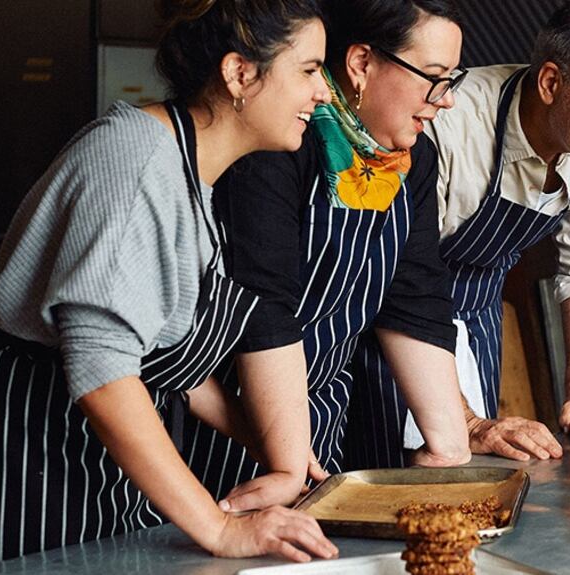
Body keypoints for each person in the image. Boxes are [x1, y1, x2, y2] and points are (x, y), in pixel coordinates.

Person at [0, 1, 340, 572]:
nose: (325, 94)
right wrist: (220, 529)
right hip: (28, 450)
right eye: (310, 70)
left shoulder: (190, 174)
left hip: (86, 454)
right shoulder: (136, 160)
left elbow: (172, 369)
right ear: (241, 74)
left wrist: (288, 462)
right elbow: (103, 373)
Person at [345, 0, 570, 468]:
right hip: (397, 320)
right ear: (552, 83)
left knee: (479, 475)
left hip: (477, 318)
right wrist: (467, 421)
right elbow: (402, 276)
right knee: (398, 477)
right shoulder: (452, 123)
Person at [196, 0, 473, 512]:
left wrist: (450, 447)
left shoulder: (411, 164)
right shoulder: (276, 140)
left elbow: (415, 298)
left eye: (451, 80)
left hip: (319, 427)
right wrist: (283, 457)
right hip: (224, 423)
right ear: (362, 63)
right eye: (433, 78)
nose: (446, 100)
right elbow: (264, 306)